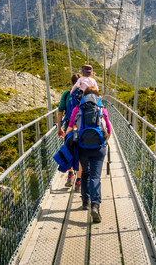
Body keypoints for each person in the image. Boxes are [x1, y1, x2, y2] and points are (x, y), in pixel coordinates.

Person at [65, 87, 112, 223]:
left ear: (83, 97)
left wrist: (70, 143)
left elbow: (69, 129)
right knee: (95, 176)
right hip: (99, 148)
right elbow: (108, 130)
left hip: (82, 148)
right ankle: (95, 205)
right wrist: (104, 143)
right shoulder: (103, 110)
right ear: (97, 97)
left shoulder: (77, 110)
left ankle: (85, 202)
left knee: (85, 173)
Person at [57, 73, 81, 188]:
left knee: (69, 150)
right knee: (81, 152)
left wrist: (59, 127)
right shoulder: (85, 94)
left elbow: (60, 112)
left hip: (69, 128)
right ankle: (79, 181)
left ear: (72, 82)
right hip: (82, 128)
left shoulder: (67, 94)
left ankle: (71, 175)